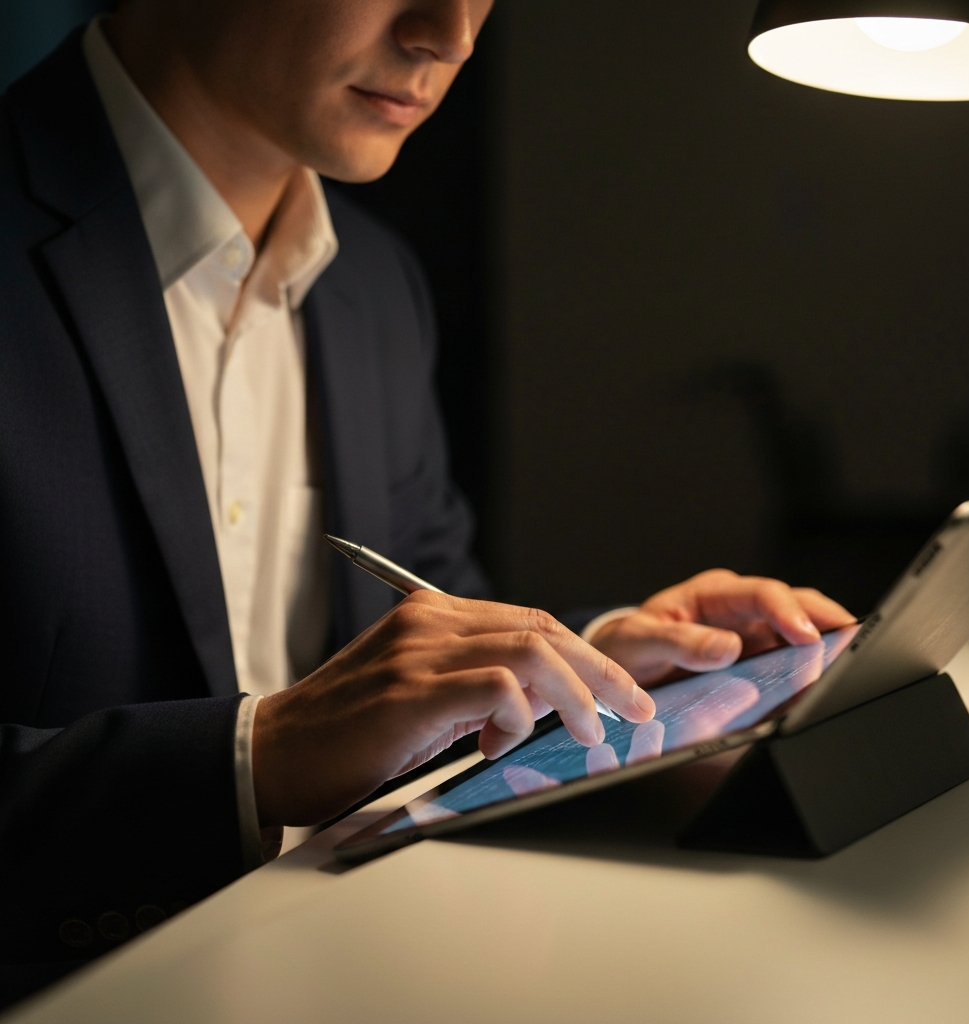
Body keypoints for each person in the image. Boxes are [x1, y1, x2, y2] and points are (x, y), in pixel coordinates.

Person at [0, 0, 855, 1007]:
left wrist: (595, 660)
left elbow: (423, 630)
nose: (449, 35)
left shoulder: (373, 283)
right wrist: (258, 755)